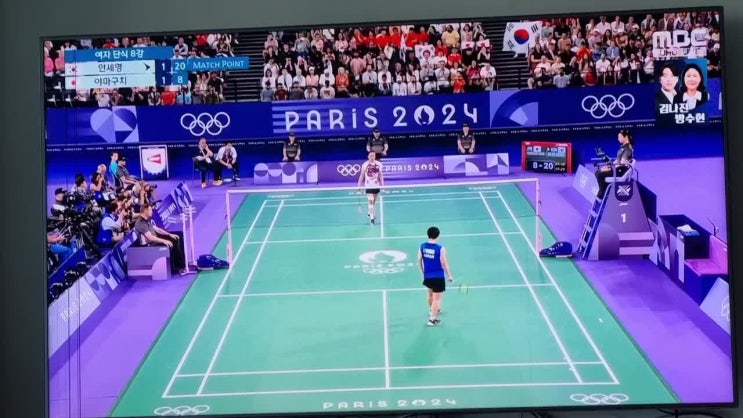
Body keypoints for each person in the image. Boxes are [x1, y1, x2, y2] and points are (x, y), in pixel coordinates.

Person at [133, 203, 191, 275]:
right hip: (149, 245)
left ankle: (182, 264)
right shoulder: (140, 223)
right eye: (150, 210)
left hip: (154, 239)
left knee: (177, 236)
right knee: (170, 243)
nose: (152, 212)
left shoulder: (147, 219)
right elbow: (150, 238)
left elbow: (157, 229)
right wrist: (164, 241)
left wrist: (169, 234)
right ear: (145, 211)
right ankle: (176, 267)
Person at [418, 226, 454, 326]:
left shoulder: (422, 246)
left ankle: (433, 310)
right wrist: (449, 275)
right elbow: (444, 263)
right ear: (438, 235)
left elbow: (419, 260)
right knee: (437, 299)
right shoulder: (440, 248)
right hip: (438, 277)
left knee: (430, 295)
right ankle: (432, 320)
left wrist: (423, 273)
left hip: (427, 276)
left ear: (428, 234)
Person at [595, 129, 634, 199]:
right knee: (598, 172)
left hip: (621, 171)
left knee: (600, 174)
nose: (618, 139)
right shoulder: (623, 146)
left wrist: (611, 168)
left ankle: (602, 194)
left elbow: (622, 163)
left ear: (625, 137)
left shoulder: (628, 148)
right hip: (618, 168)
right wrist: (609, 166)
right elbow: (618, 160)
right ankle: (605, 192)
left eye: (620, 137)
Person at [357, 151, 384, 225]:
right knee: (371, 201)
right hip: (368, 186)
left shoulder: (379, 164)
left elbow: (380, 175)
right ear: (368, 156)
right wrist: (358, 186)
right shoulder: (365, 165)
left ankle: (369, 212)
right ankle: (372, 218)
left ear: (375, 156)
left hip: (376, 186)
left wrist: (383, 185)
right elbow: (361, 176)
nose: (372, 157)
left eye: (373, 156)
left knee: (373, 202)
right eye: (371, 156)